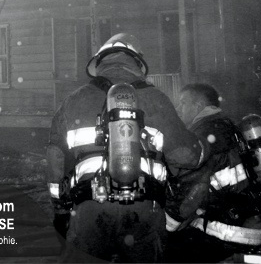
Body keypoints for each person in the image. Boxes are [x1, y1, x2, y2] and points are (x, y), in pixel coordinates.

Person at [46, 33, 207, 263]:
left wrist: (61, 212)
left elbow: (55, 161)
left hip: (89, 210)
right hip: (145, 211)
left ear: (99, 63)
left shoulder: (73, 101)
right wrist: (205, 145)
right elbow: (187, 157)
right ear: (137, 63)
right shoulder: (157, 99)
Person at [165, 83, 261, 263]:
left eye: (183, 103)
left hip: (230, 231)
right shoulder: (226, 125)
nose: (178, 109)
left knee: (166, 248)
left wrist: (168, 223)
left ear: (198, 105)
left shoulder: (206, 135)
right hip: (250, 221)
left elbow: (194, 187)